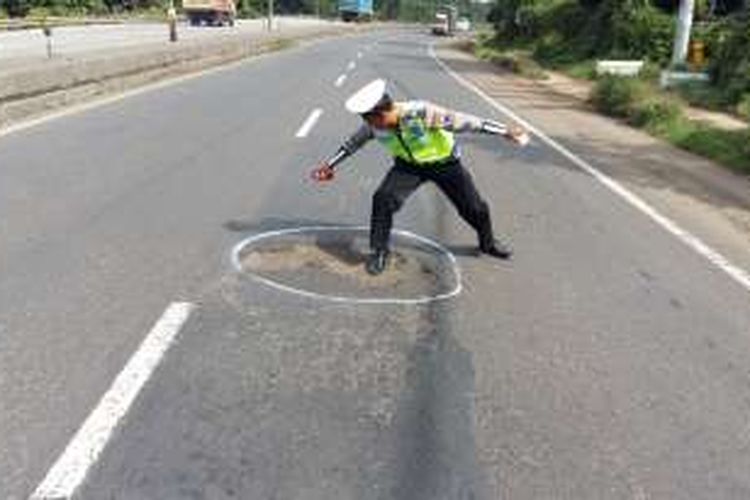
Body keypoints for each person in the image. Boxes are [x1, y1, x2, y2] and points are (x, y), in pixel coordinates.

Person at [311, 79, 530, 276]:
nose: (374, 127)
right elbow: (352, 143)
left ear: (385, 112)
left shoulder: (422, 112)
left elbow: (467, 122)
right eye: (369, 122)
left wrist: (504, 131)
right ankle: (379, 251)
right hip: (408, 167)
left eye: (375, 122)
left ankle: (488, 243)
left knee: (474, 208)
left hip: (445, 164)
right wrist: (329, 165)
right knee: (383, 198)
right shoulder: (372, 126)